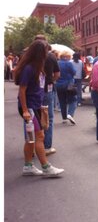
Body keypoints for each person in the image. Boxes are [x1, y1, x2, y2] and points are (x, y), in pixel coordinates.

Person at [13, 40, 64, 176]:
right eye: (45, 51)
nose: (47, 54)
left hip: (34, 106)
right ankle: (46, 167)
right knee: (39, 136)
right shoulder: (29, 68)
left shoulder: (36, 67)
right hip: (29, 107)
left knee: (31, 138)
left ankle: (28, 166)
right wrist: (25, 110)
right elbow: (22, 90)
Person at [34, 35, 60, 156]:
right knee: (48, 118)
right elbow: (57, 74)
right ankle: (46, 146)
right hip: (47, 90)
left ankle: (31, 147)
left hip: (32, 92)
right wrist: (51, 81)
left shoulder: (28, 56)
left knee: (30, 117)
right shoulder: (51, 56)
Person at [55, 51, 77, 125]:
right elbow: (74, 72)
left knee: (62, 101)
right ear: (66, 56)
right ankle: (70, 114)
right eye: (69, 56)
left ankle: (64, 118)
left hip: (58, 85)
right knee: (73, 100)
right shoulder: (69, 63)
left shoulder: (57, 63)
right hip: (68, 84)